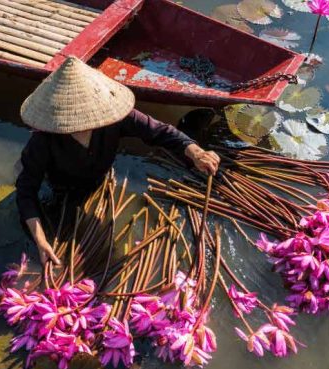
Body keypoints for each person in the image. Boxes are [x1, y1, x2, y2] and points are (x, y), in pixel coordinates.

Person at [16, 56, 220, 266]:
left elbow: (159, 131)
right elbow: (25, 192)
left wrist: (195, 152)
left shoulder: (114, 117)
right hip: (61, 188)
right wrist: (41, 241)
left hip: (99, 178)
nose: (83, 123)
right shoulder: (43, 140)